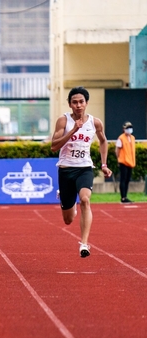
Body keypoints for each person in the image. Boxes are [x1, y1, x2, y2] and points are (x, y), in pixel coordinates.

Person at [51, 86, 112, 258]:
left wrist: (104, 164)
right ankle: (65, 197)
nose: (78, 105)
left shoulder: (95, 122)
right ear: (70, 104)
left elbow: (103, 141)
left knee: (85, 200)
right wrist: (73, 131)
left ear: (86, 103)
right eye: (74, 102)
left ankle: (84, 244)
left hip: (84, 168)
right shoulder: (63, 121)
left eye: (81, 102)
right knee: (68, 219)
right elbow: (54, 146)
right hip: (66, 170)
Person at [115, 121, 136, 204]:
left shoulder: (132, 138)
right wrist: (118, 159)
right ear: (124, 129)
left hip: (130, 162)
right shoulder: (121, 138)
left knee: (127, 180)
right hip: (123, 161)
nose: (129, 129)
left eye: (130, 128)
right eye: (127, 128)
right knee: (123, 179)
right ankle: (123, 197)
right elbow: (117, 150)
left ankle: (125, 196)